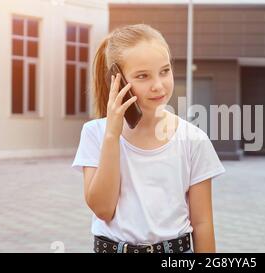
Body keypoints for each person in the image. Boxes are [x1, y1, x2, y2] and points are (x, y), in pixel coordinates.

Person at [71, 24, 225, 253]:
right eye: (143, 76)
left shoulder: (193, 139)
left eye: (164, 71)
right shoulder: (95, 133)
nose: (158, 85)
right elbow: (103, 209)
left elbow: (202, 224)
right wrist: (112, 135)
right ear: (117, 80)